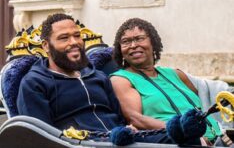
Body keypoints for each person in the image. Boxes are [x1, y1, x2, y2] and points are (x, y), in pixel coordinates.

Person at [16, 13, 178, 145]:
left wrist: (128, 129)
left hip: (122, 139)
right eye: (64, 38)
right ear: (46, 46)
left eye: (77, 36)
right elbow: (38, 137)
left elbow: (119, 117)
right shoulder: (34, 83)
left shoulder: (97, 76)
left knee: (185, 138)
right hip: (81, 144)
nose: (74, 42)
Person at [110, 18, 222, 144]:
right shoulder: (121, 79)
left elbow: (207, 98)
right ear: (120, 50)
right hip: (179, 141)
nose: (133, 45)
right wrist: (182, 131)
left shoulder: (175, 74)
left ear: (153, 42)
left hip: (221, 137)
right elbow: (136, 119)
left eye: (139, 38)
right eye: (126, 41)